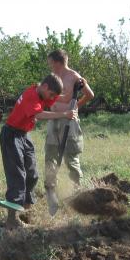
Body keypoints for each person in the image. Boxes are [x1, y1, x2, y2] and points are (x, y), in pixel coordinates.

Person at [0, 73, 76, 230]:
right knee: (17, 176)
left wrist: (77, 87)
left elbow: (64, 98)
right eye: (51, 94)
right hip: (11, 135)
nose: (52, 98)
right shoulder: (31, 95)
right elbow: (39, 114)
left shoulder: (43, 93)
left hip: (24, 135)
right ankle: (12, 220)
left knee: (32, 173)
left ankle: (26, 211)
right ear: (46, 86)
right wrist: (64, 114)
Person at [44, 49, 94, 215]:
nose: (49, 65)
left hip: (69, 121)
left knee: (70, 155)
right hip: (53, 119)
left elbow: (89, 94)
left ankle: (77, 192)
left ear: (58, 62)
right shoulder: (53, 78)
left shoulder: (74, 77)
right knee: (50, 154)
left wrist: (75, 107)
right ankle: (51, 190)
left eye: (51, 62)